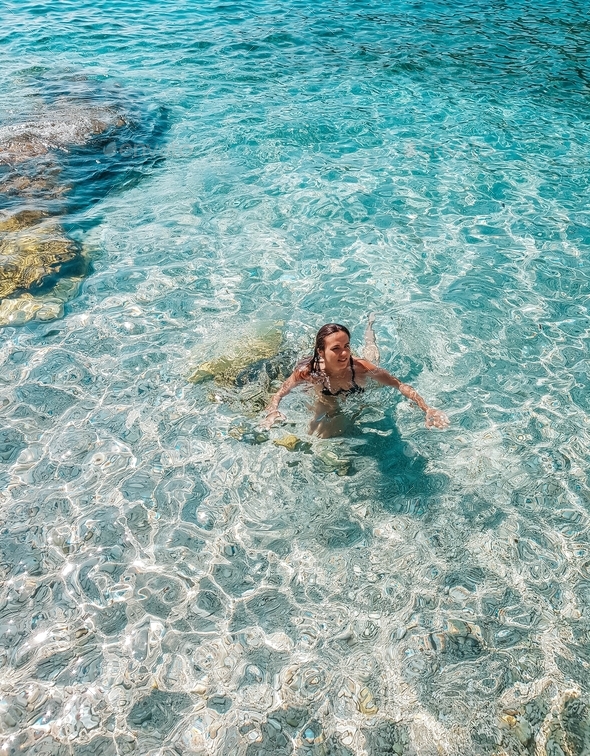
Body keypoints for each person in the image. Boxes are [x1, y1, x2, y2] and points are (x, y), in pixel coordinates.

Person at [262, 319, 449, 437]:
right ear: (321, 351)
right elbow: (280, 393)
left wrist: (427, 408)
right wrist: (272, 412)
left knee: (372, 357)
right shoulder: (308, 372)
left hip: (357, 383)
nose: (344, 353)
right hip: (327, 395)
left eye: (347, 346)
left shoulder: (360, 367)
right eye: (336, 348)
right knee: (318, 432)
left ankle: (370, 330)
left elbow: (398, 385)